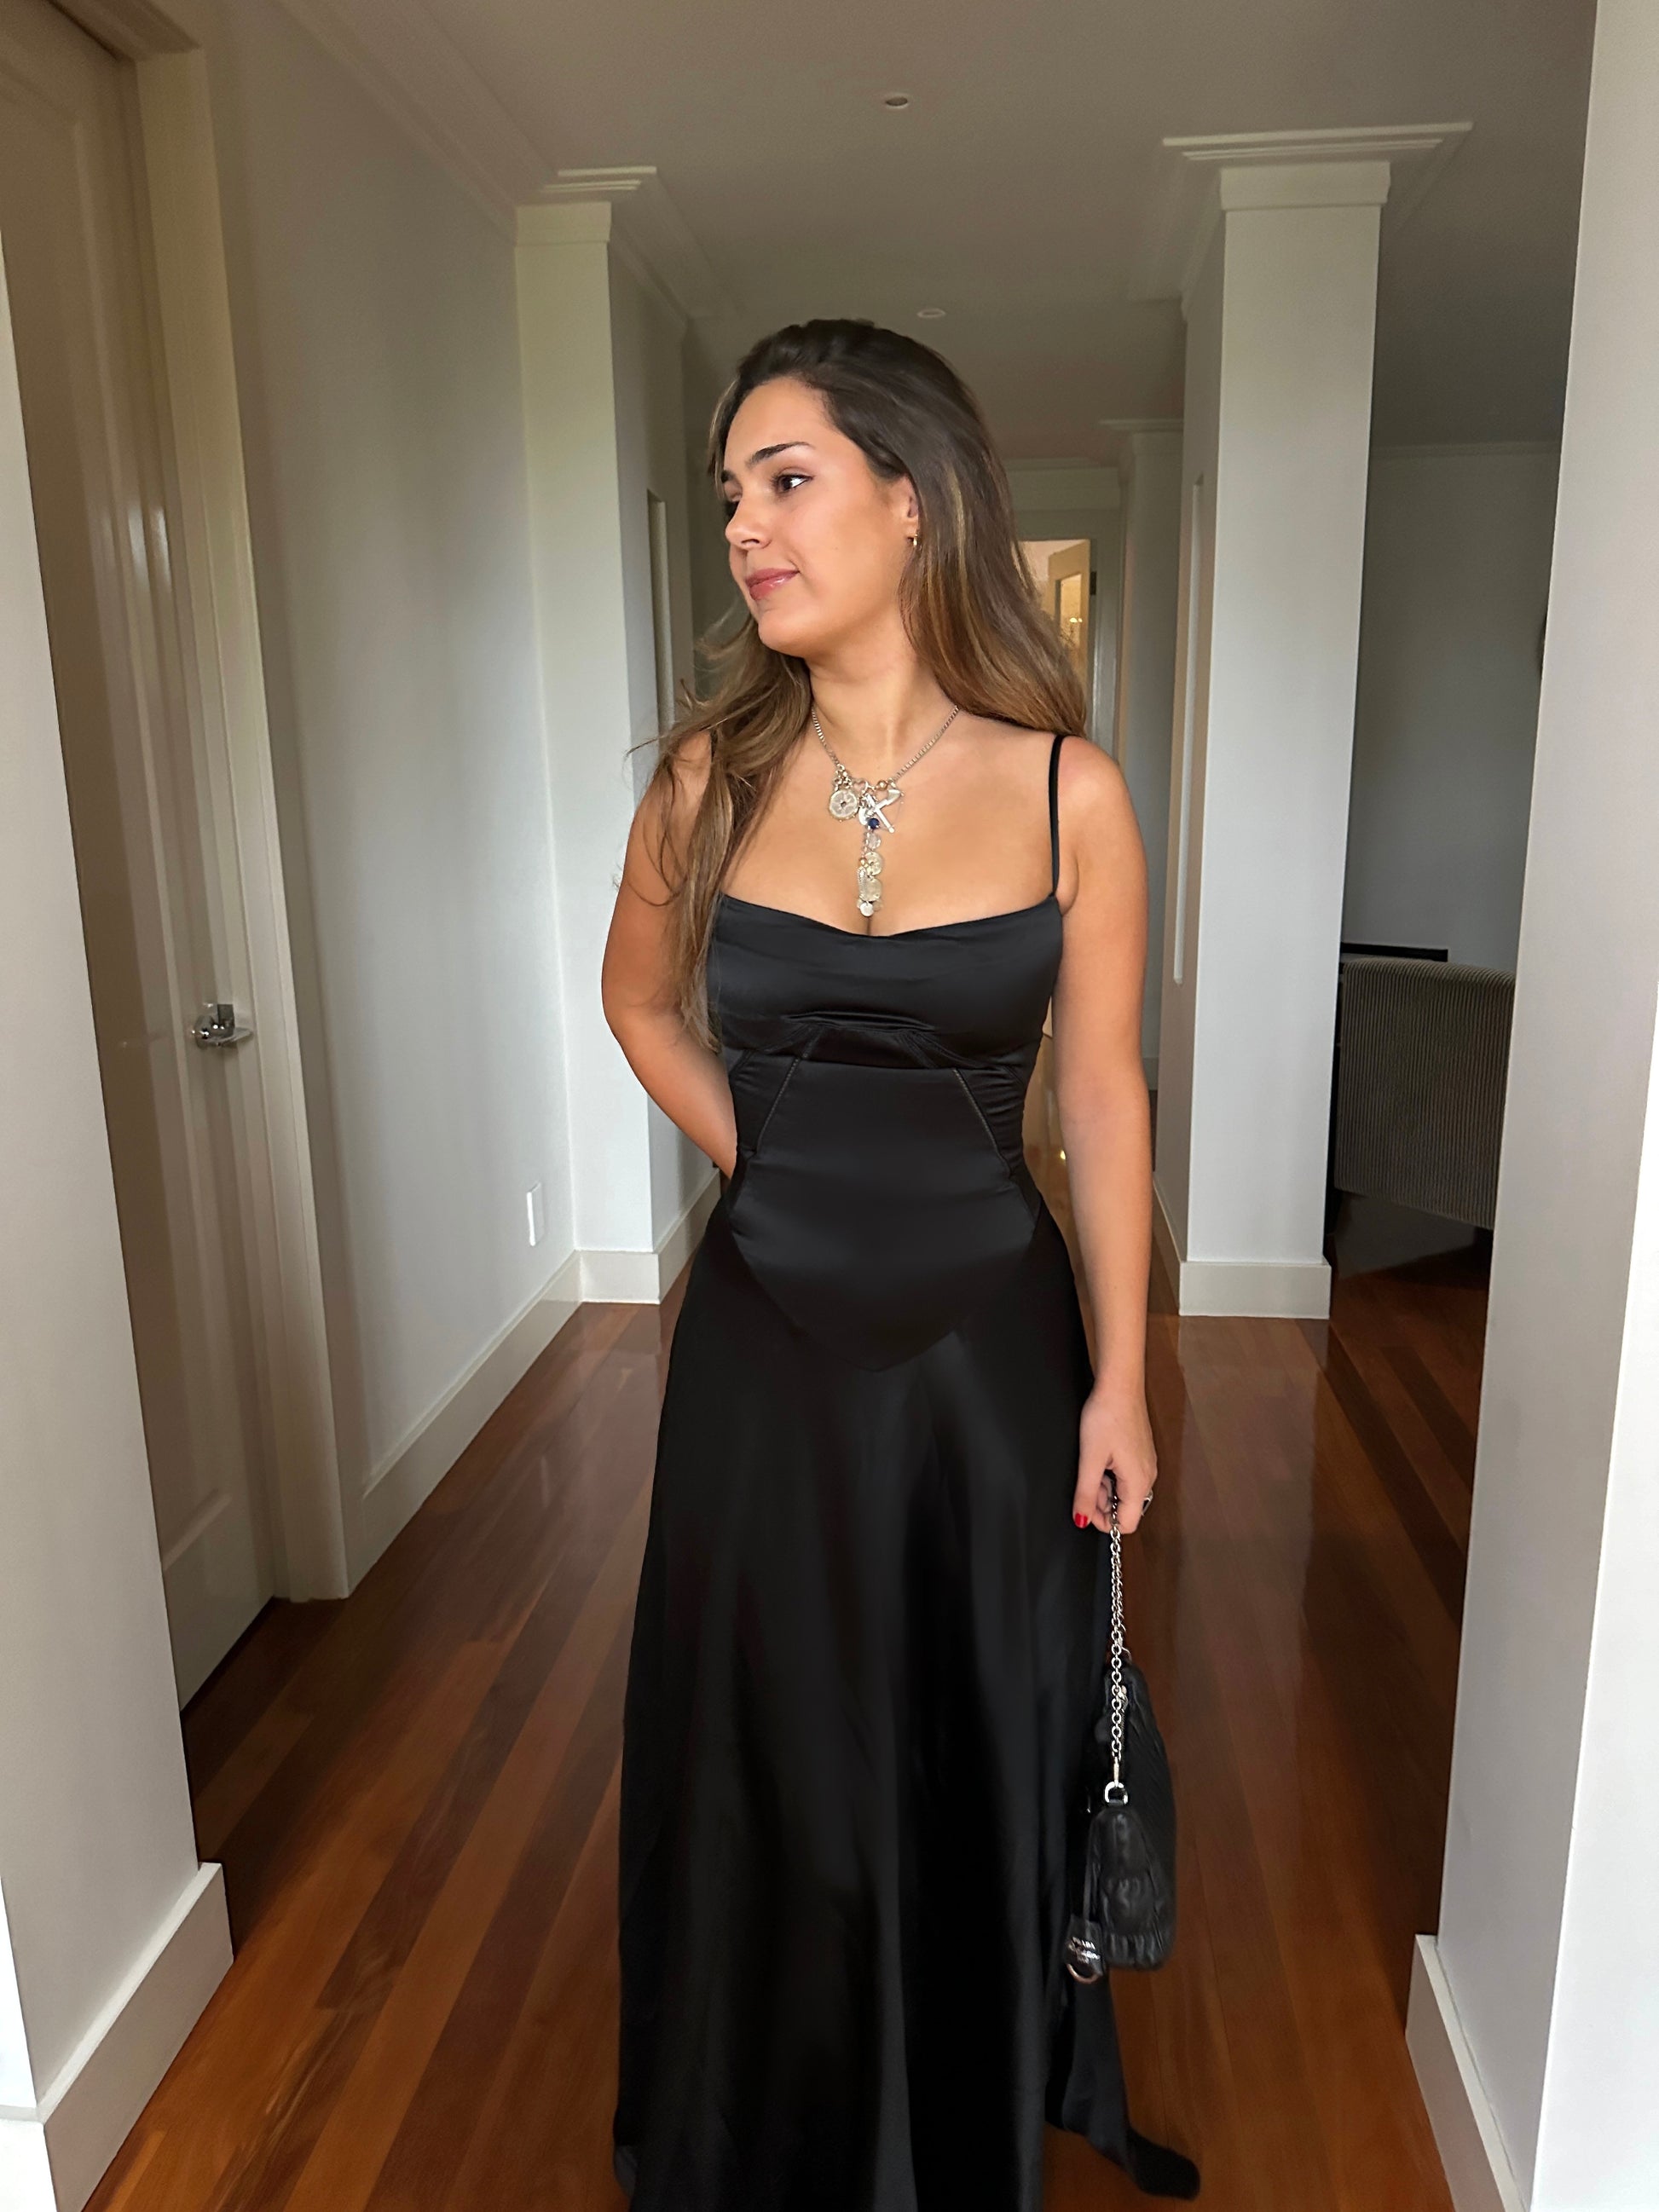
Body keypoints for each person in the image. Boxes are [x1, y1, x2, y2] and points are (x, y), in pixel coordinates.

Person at [600, 318, 1199, 2209]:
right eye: (729, 496)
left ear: (912, 498)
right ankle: (764, 2122)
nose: (745, 529)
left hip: (987, 1356)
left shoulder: (1067, 789)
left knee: (971, 1727)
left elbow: (1098, 1095)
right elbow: (636, 1003)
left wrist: (1121, 1379)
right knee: (765, 1733)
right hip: (762, 1340)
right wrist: (765, 1156)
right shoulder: (704, 779)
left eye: (785, 481)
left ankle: (948, 2125)